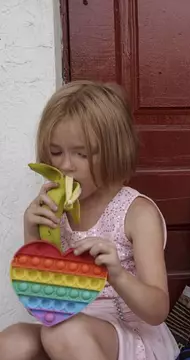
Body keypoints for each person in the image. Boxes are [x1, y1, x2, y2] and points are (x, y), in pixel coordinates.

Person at [0, 81, 179, 360]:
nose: (65, 166)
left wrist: (117, 275)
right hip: (71, 332)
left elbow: (156, 311)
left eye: (81, 154)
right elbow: (48, 303)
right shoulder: (54, 210)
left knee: (60, 331)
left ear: (114, 151)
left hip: (133, 336)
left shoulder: (137, 213)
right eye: (56, 152)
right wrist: (33, 234)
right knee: (11, 342)